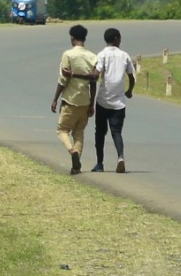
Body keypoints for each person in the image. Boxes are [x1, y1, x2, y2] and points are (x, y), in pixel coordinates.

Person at [52, 25, 99, 176]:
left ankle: (72, 151)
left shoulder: (68, 55)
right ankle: (76, 164)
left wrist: (55, 99)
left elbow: (62, 80)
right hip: (85, 102)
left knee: (62, 130)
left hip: (70, 101)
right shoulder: (93, 57)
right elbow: (93, 82)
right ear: (84, 38)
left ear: (72, 38)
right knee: (79, 133)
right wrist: (91, 103)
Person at [92, 27, 137, 173]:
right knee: (116, 132)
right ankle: (120, 157)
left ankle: (99, 163)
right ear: (116, 39)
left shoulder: (102, 55)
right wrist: (129, 91)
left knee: (100, 132)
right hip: (119, 102)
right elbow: (131, 76)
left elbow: (96, 74)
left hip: (103, 100)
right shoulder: (125, 56)